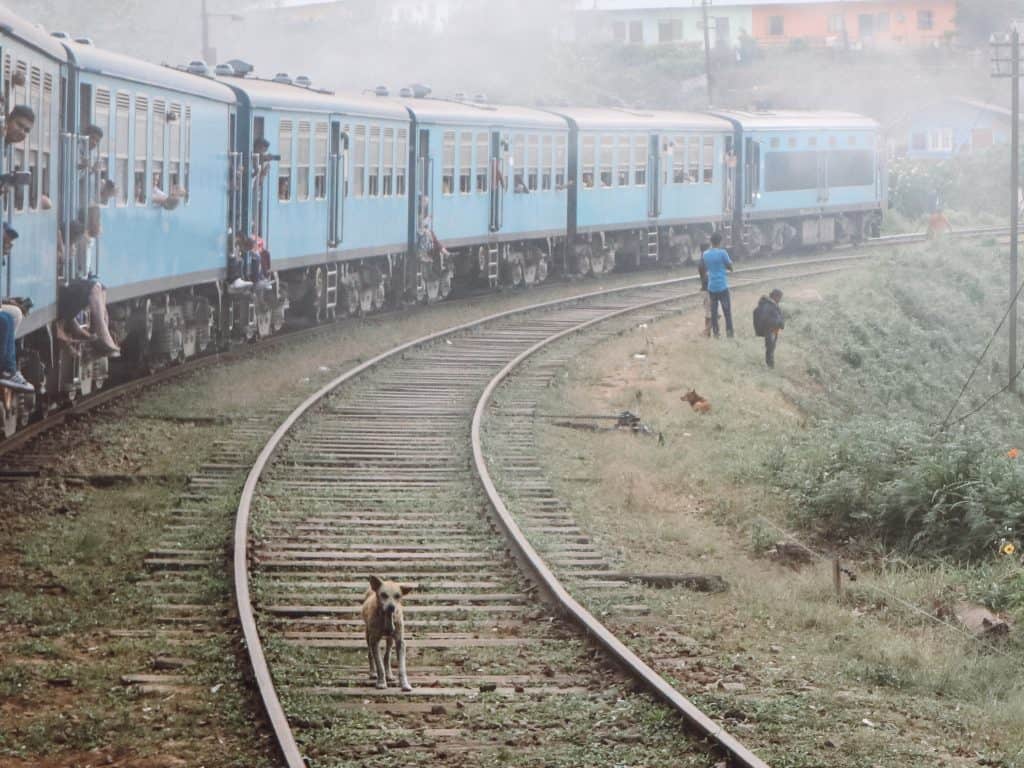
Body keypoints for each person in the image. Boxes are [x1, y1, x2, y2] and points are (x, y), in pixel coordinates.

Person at [703, 231, 734, 338]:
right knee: (727, 312)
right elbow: (730, 267)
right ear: (720, 242)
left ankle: (716, 334)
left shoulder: (705, 254)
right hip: (722, 286)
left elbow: (707, 267)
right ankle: (730, 334)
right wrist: (726, 267)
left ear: (711, 241)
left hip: (712, 287)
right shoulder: (723, 253)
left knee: (714, 313)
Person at [754, 289, 785, 368]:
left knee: (772, 348)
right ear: (775, 296)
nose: (780, 300)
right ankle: (770, 366)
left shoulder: (772, 304)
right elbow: (766, 318)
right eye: (779, 298)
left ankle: (770, 365)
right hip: (769, 330)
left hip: (773, 330)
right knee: (770, 348)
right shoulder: (768, 305)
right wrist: (778, 322)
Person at [697, 241, 714, 338]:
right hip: (708, 290)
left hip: (705, 289)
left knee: (708, 314)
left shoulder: (702, 261)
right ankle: (705, 332)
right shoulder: (704, 262)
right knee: (716, 314)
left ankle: (709, 335)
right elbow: (706, 277)